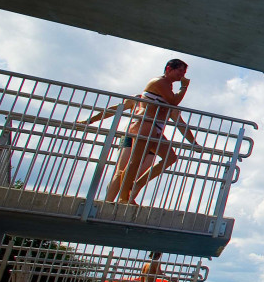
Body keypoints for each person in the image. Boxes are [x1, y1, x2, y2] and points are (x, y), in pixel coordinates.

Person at [80, 59, 197, 205]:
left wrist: (194, 143)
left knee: (169, 158)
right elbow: (116, 109)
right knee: (125, 168)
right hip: (141, 127)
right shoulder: (156, 87)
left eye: (184, 72)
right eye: (180, 71)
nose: (182, 75)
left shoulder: (167, 95)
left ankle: (133, 189)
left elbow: (181, 124)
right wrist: (90, 120)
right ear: (169, 69)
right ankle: (111, 201)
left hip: (155, 131)